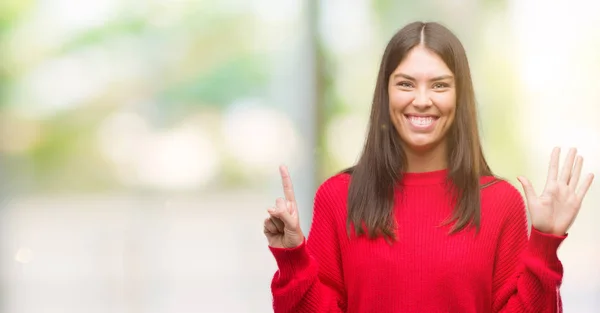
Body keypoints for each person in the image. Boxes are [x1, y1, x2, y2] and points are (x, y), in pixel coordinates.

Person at [262, 21, 594, 313]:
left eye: (439, 85)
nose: (422, 99)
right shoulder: (337, 197)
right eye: (406, 83)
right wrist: (292, 258)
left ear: (460, 96)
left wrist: (545, 242)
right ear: (386, 92)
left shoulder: (500, 202)